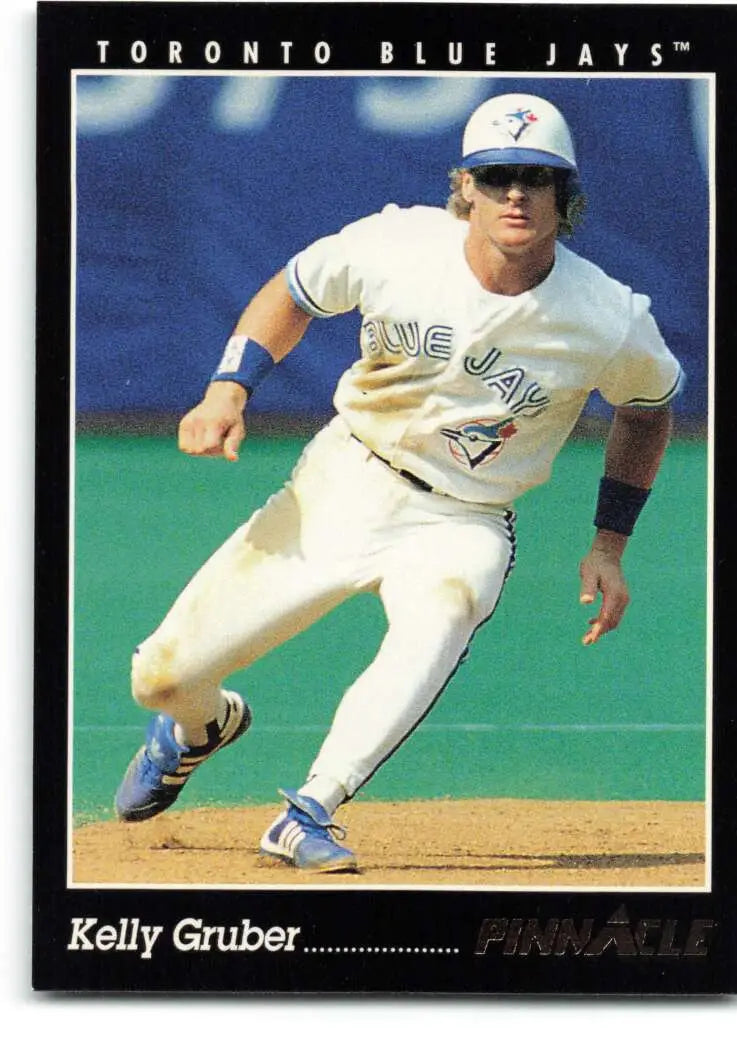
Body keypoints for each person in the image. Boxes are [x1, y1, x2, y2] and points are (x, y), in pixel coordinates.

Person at [114, 93, 682, 873]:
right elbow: (294, 289)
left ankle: (310, 807)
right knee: (162, 675)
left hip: (467, 515)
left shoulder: (606, 316)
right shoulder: (398, 245)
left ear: (565, 196)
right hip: (345, 480)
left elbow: (648, 409)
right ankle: (200, 726)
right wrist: (227, 389)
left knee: (444, 609)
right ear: (466, 189)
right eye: (498, 175)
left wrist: (609, 543)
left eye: (537, 178)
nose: (516, 193)